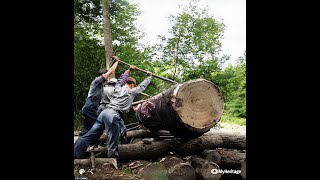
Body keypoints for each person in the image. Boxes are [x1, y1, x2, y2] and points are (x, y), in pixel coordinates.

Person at [74, 64, 153, 159]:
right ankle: (112, 159)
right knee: (113, 137)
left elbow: (121, 79)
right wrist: (149, 77)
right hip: (113, 114)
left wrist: (129, 70)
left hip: (104, 113)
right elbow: (142, 86)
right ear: (132, 85)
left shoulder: (118, 87)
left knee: (91, 134)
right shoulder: (131, 91)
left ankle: (76, 153)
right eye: (134, 86)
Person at [78, 56, 119, 137]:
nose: (108, 79)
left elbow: (117, 80)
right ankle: (87, 145)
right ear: (103, 75)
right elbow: (110, 72)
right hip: (90, 108)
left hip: (89, 108)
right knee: (97, 128)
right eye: (106, 76)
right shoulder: (97, 81)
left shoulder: (102, 84)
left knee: (87, 129)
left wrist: (114, 64)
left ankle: (78, 146)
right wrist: (117, 62)